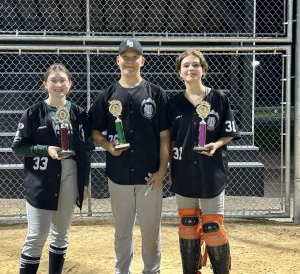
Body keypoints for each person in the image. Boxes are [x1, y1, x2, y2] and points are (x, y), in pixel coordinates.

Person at [89, 39, 170, 274]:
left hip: (149, 175)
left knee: (151, 230)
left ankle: (151, 271)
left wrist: (162, 171)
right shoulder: (107, 95)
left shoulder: (156, 93)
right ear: (118, 61)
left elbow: (165, 137)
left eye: (136, 57)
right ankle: (122, 271)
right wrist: (108, 146)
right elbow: (94, 131)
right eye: (126, 57)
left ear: (143, 61)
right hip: (119, 174)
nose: (130, 61)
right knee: (122, 230)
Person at [12, 63, 92, 274]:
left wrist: (84, 183)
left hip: (70, 176)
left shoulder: (79, 114)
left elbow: (85, 151)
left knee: (61, 233)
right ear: (44, 84)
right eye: (53, 80)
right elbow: (18, 148)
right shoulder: (33, 113)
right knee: (36, 236)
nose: (58, 84)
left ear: (70, 84)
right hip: (41, 180)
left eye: (62, 80)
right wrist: (45, 149)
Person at [168, 50, 240, 274]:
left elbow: (228, 132)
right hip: (183, 171)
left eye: (196, 65)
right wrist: (168, 168)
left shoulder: (218, 98)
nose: (191, 69)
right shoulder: (174, 103)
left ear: (204, 69)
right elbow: (169, 139)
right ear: (180, 72)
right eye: (186, 65)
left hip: (211, 170)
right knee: (188, 226)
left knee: (213, 228)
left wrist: (217, 145)